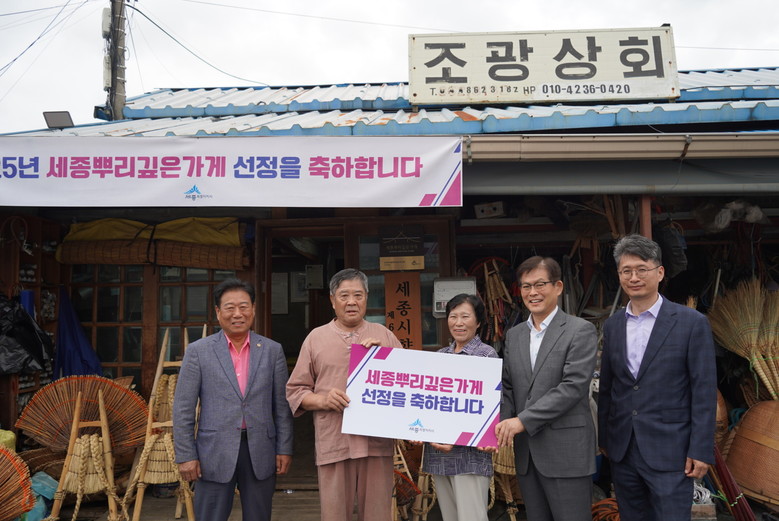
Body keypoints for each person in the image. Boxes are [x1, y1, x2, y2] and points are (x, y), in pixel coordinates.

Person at [598, 234, 716, 521]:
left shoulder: (691, 323)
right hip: (623, 449)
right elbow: (608, 387)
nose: (634, 277)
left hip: (671, 450)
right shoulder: (613, 325)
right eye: (626, 271)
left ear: (660, 272)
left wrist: (700, 449)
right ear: (619, 275)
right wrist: (605, 439)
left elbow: (703, 391)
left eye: (642, 269)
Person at [286, 268, 402, 521]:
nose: (352, 302)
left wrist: (384, 357)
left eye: (358, 295)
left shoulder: (384, 335)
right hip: (334, 440)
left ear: (366, 298)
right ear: (332, 300)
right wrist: (322, 400)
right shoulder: (316, 338)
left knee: (377, 514)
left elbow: (405, 385)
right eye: (344, 295)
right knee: (334, 513)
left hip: (376, 442)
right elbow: (295, 391)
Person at [173, 278, 293, 521]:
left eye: (244, 306)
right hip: (213, 452)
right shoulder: (199, 351)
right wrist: (186, 455)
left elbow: (282, 406)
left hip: (260, 449)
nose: (238, 314)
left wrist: (284, 447)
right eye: (230, 307)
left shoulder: (272, 350)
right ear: (218, 312)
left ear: (253, 309)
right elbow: (183, 408)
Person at [495, 256, 598, 521]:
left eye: (540, 284)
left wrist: (522, 421)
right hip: (527, 454)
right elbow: (508, 387)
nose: (533, 292)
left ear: (558, 286)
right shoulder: (515, 335)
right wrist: (496, 428)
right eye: (526, 286)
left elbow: (573, 387)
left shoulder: (580, 330)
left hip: (567, 452)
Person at [419, 293, 498, 521]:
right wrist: (421, 430)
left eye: (465, 316)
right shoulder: (440, 355)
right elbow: (428, 403)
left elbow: (487, 408)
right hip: (439, 455)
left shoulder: (486, 355)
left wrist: (454, 436)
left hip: (469, 457)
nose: (458, 323)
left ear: (478, 322)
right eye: (453, 317)